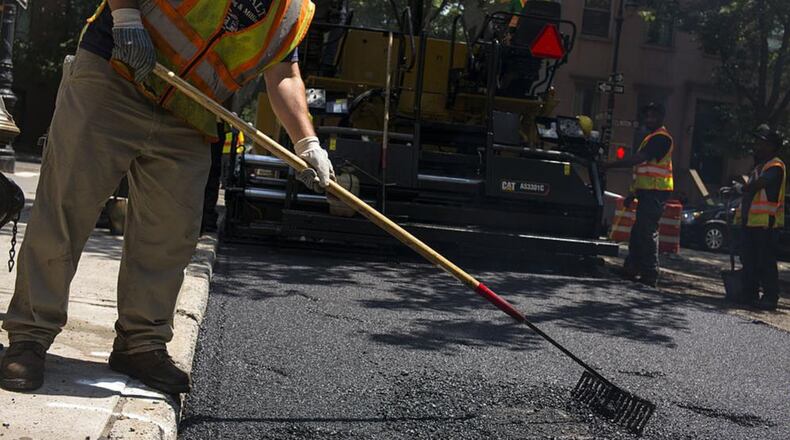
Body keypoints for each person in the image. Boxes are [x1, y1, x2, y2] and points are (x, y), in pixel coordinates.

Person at [0, 0, 333, 394]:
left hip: (189, 108)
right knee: (65, 207)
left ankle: (141, 344)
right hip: (115, 70)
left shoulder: (292, 12)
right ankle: (30, 337)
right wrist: (125, 18)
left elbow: (284, 74)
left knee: (170, 233)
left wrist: (306, 142)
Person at [602, 102, 674, 287]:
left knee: (647, 232)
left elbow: (639, 159)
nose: (649, 119)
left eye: (653, 116)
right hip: (647, 192)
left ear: (661, 118)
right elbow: (642, 171)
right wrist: (632, 194)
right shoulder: (650, 138)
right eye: (647, 116)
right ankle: (632, 268)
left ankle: (650, 272)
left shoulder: (661, 139)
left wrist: (610, 165)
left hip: (655, 193)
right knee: (638, 232)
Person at [734, 124, 786, 311]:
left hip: (766, 223)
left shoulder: (775, 166)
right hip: (751, 222)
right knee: (749, 260)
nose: (757, 146)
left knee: (765, 261)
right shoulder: (758, 168)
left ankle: (770, 297)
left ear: (771, 146)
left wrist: (743, 187)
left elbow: (760, 184)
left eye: (761, 142)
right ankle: (749, 294)